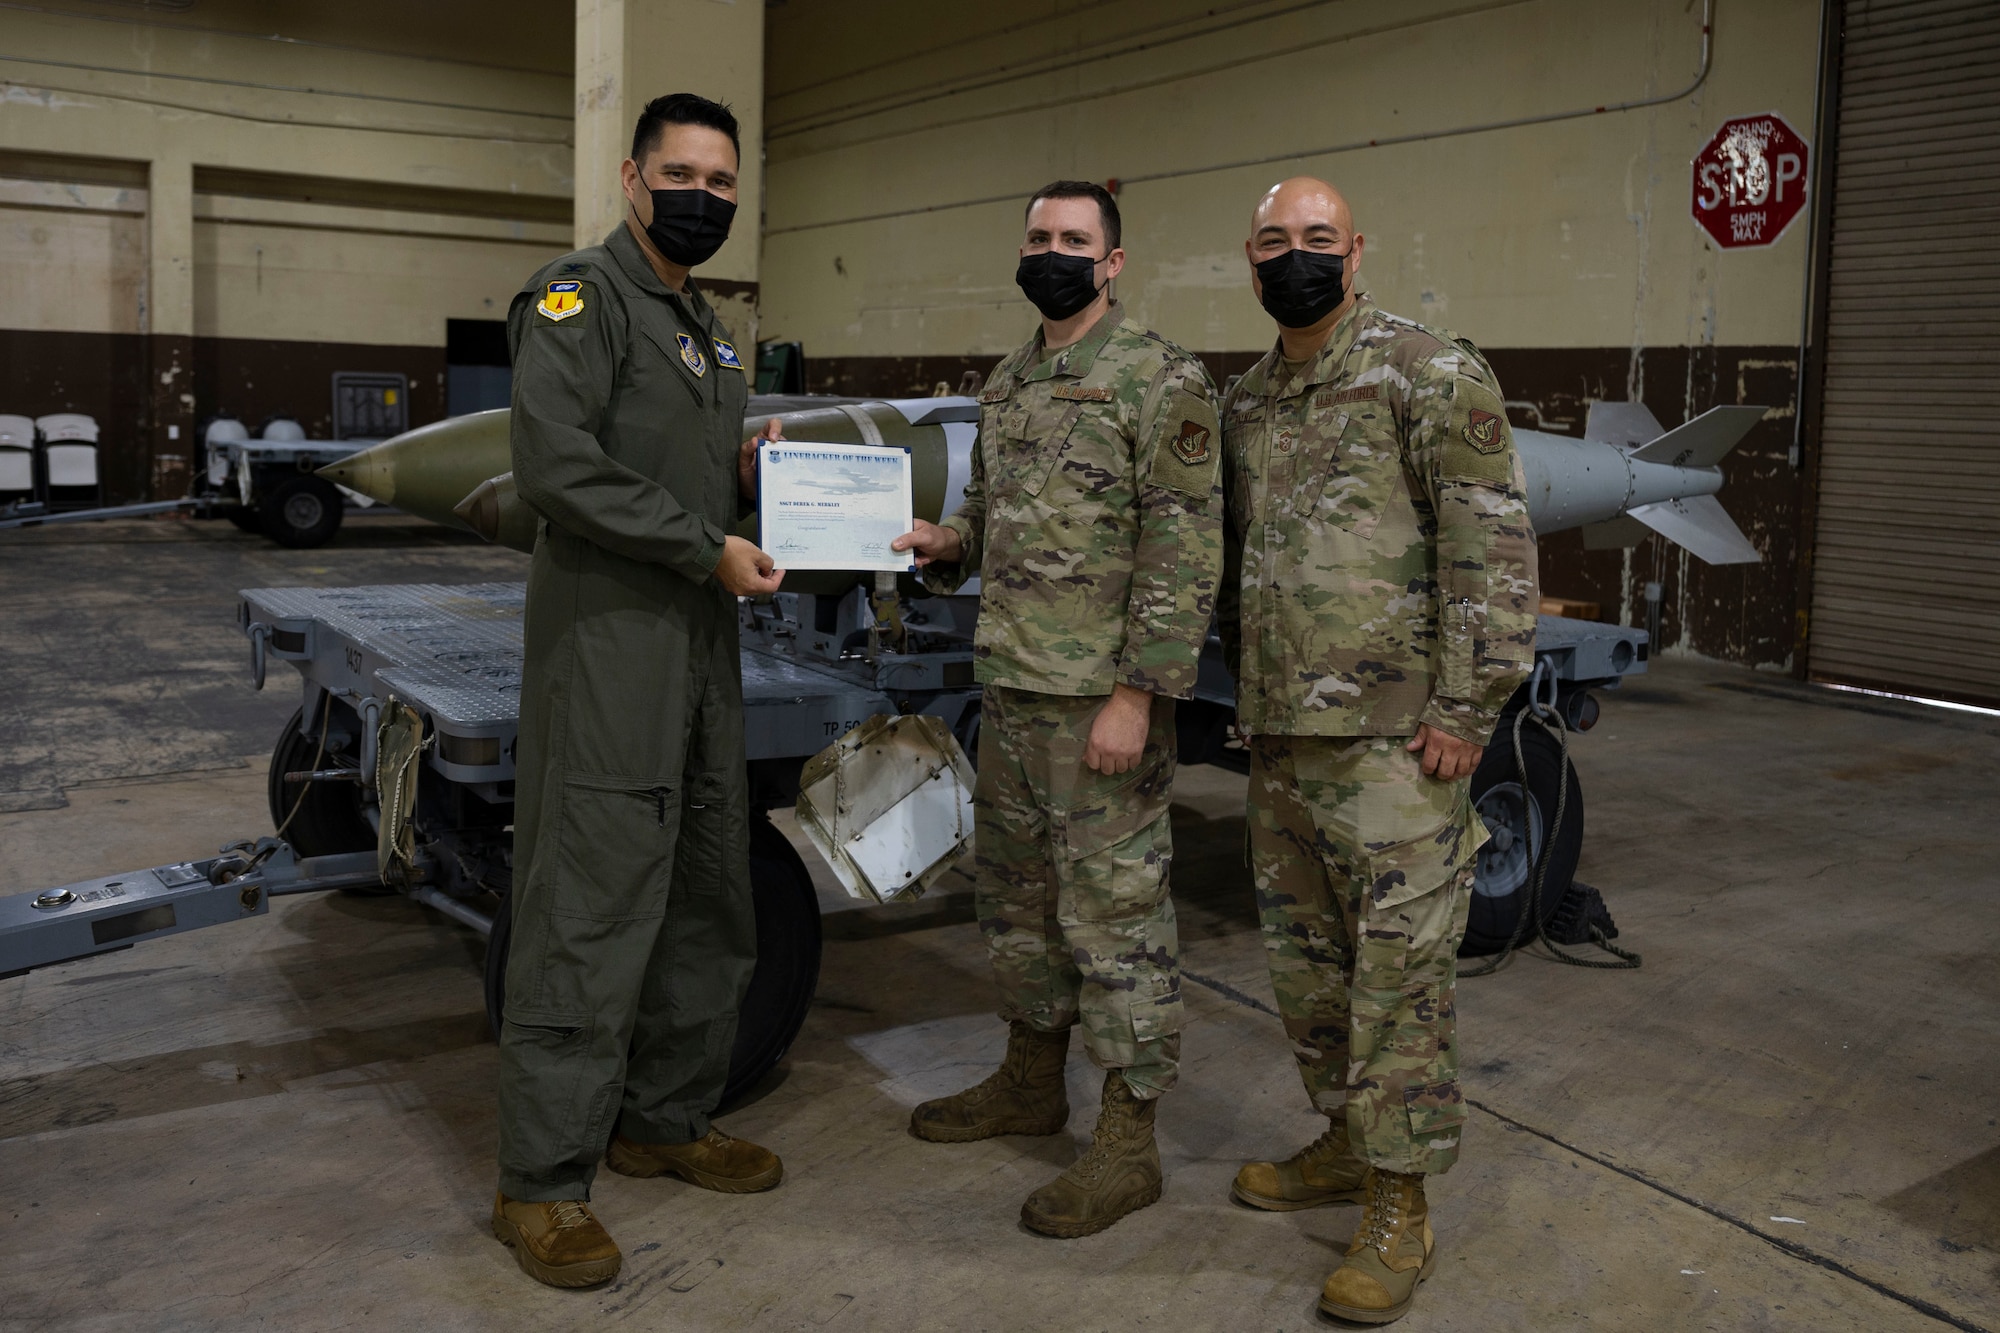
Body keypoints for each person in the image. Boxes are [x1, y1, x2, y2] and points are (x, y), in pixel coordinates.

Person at [1216, 177, 1537, 1324]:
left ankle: (1400, 1200)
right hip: (1282, 743)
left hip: (1398, 747)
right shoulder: (1248, 400)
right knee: (1309, 975)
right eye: (1271, 241)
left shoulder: (1427, 370)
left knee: (1399, 983)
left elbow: (1489, 550)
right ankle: (1345, 1143)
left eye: (1314, 239)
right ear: (1246, 259)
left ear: (1353, 252)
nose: (1291, 256)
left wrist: (1465, 709)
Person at [490, 92, 790, 1290]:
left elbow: (684, 468)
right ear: (631, 178)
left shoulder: (712, 331)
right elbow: (555, 464)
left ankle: (664, 1119)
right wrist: (699, 541)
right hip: (611, 642)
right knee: (590, 901)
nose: (703, 196)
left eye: (722, 181)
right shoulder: (577, 298)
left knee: (708, 886)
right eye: (681, 173)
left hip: (703, 646)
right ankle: (541, 1183)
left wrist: (753, 475)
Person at [893, 181, 1224, 1238]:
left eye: (1072, 240)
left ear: (1112, 261)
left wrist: (1137, 694)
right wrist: (949, 545)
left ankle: (1128, 1144)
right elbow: (995, 517)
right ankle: (1030, 1082)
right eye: (1037, 237)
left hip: (1099, 706)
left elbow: (1184, 549)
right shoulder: (1012, 378)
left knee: (1115, 920)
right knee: (1020, 907)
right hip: (1015, 689)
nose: (1052, 252)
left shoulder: (1157, 377)